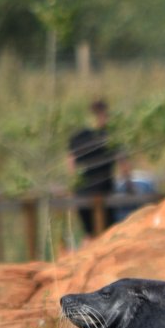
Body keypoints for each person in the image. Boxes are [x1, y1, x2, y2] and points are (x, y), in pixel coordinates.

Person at [67, 99, 121, 236]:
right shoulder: (109, 136)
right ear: (102, 114)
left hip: (82, 194)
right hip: (104, 193)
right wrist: (130, 185)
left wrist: (73, 189)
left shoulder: (76, 137)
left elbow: (71, 165)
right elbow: (123, 161)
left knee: (89, 235)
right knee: (107, 234)